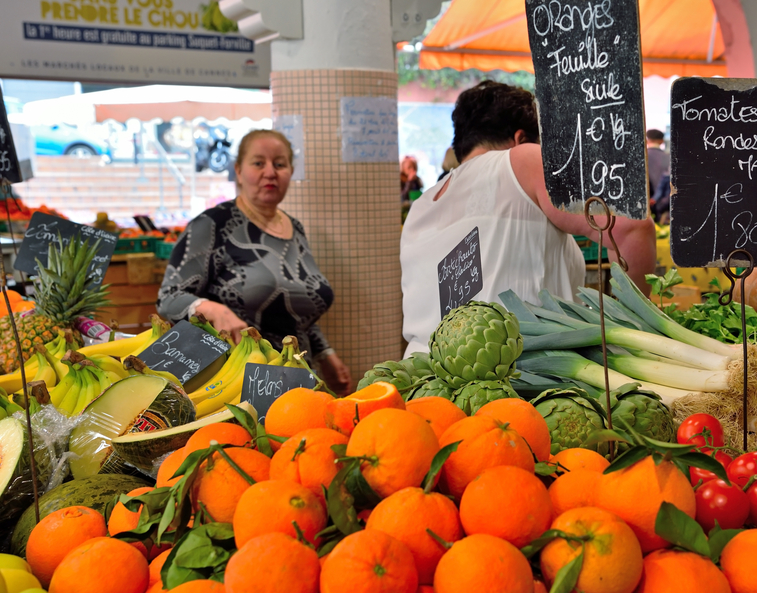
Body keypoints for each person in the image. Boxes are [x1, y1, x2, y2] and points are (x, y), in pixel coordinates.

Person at [400, 81, 655, 355]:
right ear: (521, 138)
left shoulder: (423, 203)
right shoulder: (520, 160)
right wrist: (628, 330)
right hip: (513, 384)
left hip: (422, 383)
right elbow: (630, 225)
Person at [157, 129, 352, 395]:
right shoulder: (212, 224)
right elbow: (168, 298)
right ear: (238, 171)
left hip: (300, 381)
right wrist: (214, 309)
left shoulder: (294, 229)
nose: (270, 172)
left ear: (290, 172)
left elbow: (293, 311)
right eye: (258, 163)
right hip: (232, 384)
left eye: (279, 164)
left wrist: (326, 353)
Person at [646, 129, 669, 203]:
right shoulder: (668, 157)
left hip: (645, 201)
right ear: (662, 141)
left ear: (647, 140)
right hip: (663, 202)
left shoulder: (640, 157)